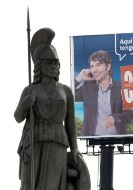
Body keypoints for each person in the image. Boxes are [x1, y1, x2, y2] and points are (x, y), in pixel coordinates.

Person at [14, 28, 83, 190]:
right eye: (50, 63)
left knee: (52, 185)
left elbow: (70, 124)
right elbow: (18, 117)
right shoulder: (30, 90)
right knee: (30, 184)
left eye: (56, 63)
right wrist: (25, 104)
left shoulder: (65, 91)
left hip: (57, 141)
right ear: (40, 64)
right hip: (34, 141)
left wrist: (74, 148)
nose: (54, 67)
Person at [75, 50, 133, 136]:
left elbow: (129, 115)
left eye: (98, 65)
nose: (94, 70)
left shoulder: (121, 88)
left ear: (108, 66)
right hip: (92, 139)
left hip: (117, 139)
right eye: (92, 66)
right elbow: (68, 95)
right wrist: (78, 78)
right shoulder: (87, 87)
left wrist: (114, 118)